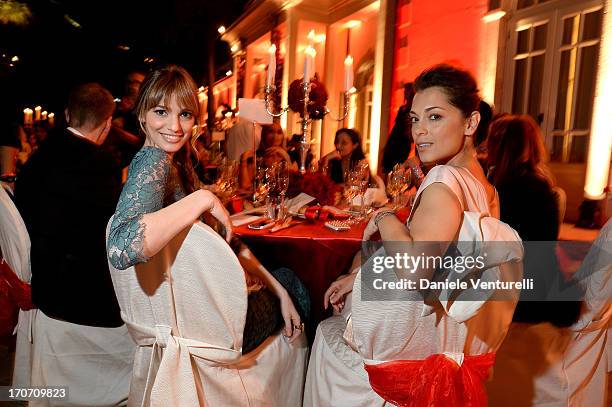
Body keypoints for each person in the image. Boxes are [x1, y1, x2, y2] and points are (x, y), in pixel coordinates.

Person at [306, 64, 523, 406]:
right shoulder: (487, 190)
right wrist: (364, 275)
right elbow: (450, 268)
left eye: (434, 117)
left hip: (408, 362)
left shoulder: (442, 182)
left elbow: (415, 271)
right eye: (415, 119)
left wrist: (385, 215)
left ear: (471, 122)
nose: (420, 131)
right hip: (448, 347)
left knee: (325, 328)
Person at [106, 65, 308, 355]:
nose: (175, 127)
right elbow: (121, 248)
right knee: (296, 281)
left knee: (283, 283)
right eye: (161, 112)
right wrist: (202, 198)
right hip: (207, 327)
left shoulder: (174, 160)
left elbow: (229, 241)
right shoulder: (153, 161)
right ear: (141, 115)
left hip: (199, 317)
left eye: (184, 114)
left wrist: (277, 291)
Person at [14, 83, 133, 406]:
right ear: (108, 124)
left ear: (67, 114)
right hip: (89, 302)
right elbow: (109, 235)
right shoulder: (105, 166)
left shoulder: (33, 164)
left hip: (45, 288)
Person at [486, 114, 580, 326]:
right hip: (539, 279)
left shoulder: (513, 188)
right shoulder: (534, 181)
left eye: (491, 142)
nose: (485, 147)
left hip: (523, 291)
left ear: (502, 147)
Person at [381, 82, 415, 174]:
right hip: (395, 141)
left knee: (397, 169)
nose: (406, 94)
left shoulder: (411, 111)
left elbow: (408, 133)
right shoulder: (403, 109)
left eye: (407, 92)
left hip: (402, 143)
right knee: (391, 169)